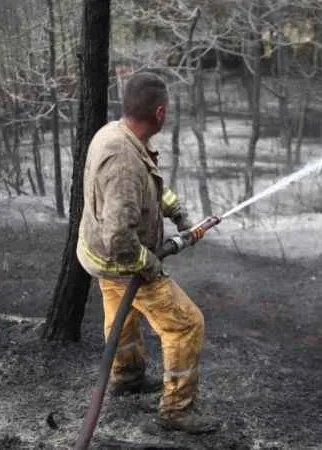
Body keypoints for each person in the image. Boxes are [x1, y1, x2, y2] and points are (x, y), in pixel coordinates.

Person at [76, 72, 219, 434]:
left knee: (120, 317)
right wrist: (151, 265)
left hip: (98, 258)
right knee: (187, 324)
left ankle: (126, 376)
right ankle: (176, 411)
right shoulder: (123, 161)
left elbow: (150, 187)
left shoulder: (115, 134)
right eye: (167, 110)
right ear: (159, 112)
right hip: (120, 260)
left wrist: (180, 215)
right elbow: (121, 241)